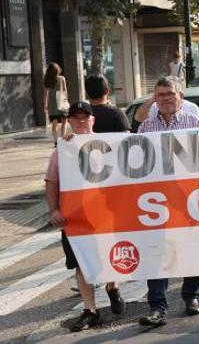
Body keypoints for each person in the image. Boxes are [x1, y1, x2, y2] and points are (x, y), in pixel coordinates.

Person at [45, 102, 126, 332]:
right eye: (75, 117)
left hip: (106, 216)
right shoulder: (62, 150)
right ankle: (91, 310)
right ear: (69, 121)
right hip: (76, 219)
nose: (80, 121)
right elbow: (51, 183)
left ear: (93, 120)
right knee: (81, 262)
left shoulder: (110, 145)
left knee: (110, 256)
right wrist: (54, 210)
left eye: (85, 117)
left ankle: (112, 286)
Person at [138, 77, 199, 326]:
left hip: (188, 198)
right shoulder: (145, 127)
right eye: (160, 94)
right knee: (157, 252)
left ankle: (191, 297)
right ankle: (157, 306)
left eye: (169, 93)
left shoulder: (194, 122)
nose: (165, 98)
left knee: (189, 248)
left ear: (180, 95)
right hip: (156, 201)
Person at [43, 62, 69, 144]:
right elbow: (65, 91)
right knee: (64, 122)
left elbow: (45, 94)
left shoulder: (46, 80)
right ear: (56, 70)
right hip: (61, 102)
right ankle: (63, 139)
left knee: (54, 124)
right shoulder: (62, 78)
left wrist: (45, 104)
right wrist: (66, 101)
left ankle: (55, 141)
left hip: (52, 103)